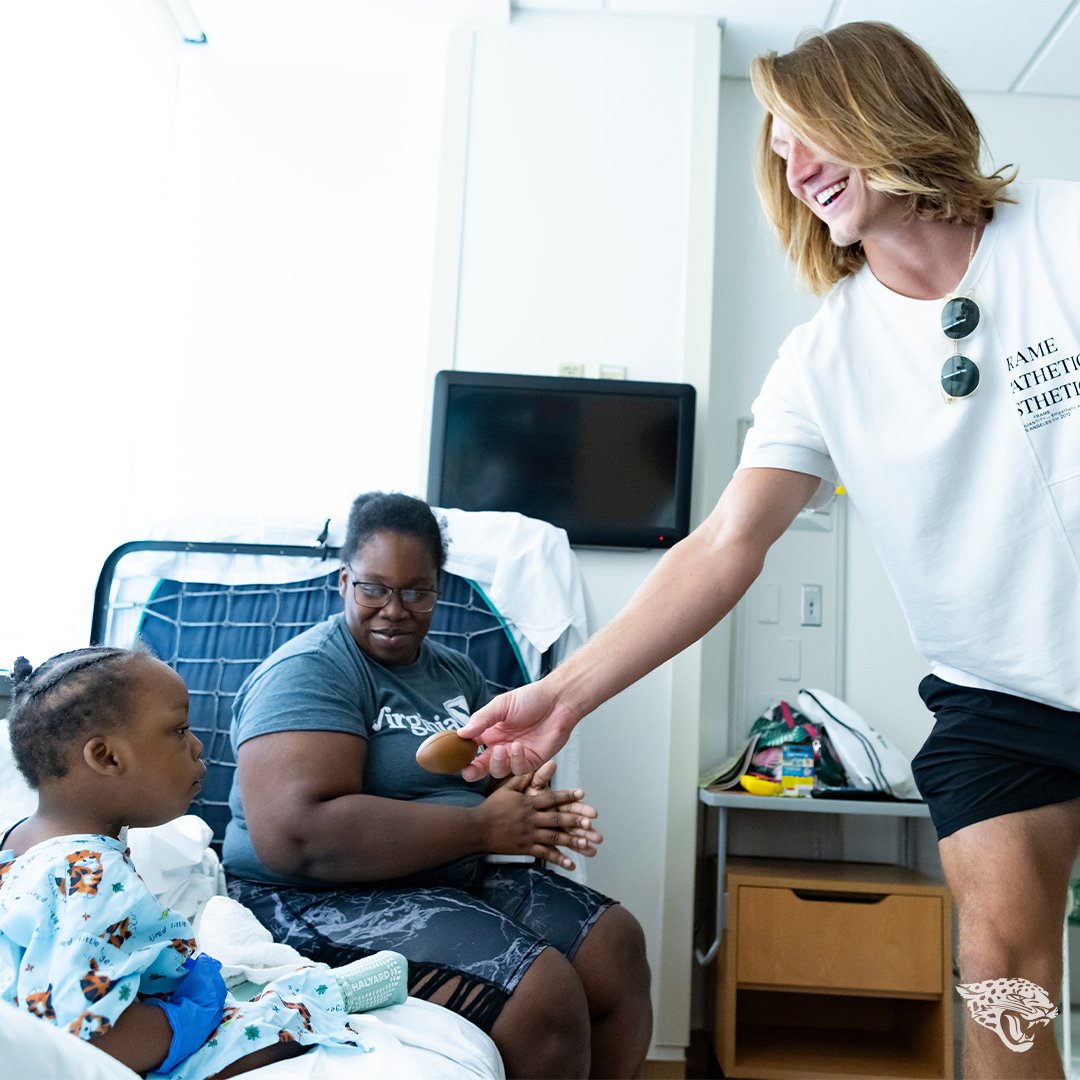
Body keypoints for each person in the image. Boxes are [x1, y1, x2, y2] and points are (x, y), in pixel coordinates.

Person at [457, 20, 1080, 1080]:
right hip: (998, 700)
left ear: (881, 108)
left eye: (808, 131)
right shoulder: (825, 355)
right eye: (777, 147)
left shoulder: (1061, 229)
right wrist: (565, 694)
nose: (793, 166)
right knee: (1000, 964)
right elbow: (726, 543)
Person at [223, 491, 653, 1080]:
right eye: (374, 588)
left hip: (442, 871)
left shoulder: (454, 672)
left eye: (415, 591)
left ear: (438, 589)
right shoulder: (309, 672)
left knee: (615, 947)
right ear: (343, 581)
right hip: (314, 896)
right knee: (543, 996)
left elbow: (493, 773)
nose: (394, 609)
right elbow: (297, 836)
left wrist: (524, 801)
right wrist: (483, 826)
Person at [0, 646, 410, 1080]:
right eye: (178, 730)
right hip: (125, 1043)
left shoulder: (18, 844)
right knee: (266, 1030)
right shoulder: (91, 874)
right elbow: (92, 1039)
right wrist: (193, 1015)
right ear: (107, 758)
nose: (198, 747)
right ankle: (322, 996)